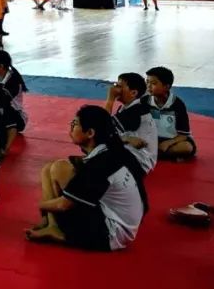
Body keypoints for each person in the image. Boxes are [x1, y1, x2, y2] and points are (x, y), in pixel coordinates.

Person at [25, 105, 148, 250]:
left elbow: (63, 205)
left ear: (90, 133)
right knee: (48, 169)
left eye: (75, 124)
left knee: (59, 169)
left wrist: (39, 204)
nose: (71, 127)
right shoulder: (114, 151)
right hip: (124, 224)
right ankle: (52, 225)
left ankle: (57, 228)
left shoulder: (100, 164)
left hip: (107, 235)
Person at [103, 73, 158, 175]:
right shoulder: (127, 108)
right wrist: (125, 139)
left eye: (119, 86)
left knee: (94, 137)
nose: (115, 89)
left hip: (140, 162)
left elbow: (100, 125)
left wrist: (110, 99)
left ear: (133, 93)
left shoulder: (136, 111)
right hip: (133, 156)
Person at [144, 66, 196, 161]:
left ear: (166, 86)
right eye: (147, 82)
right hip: (150, 140)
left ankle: (151, 155)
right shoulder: (144, 101)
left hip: (172, 140)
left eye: (153, 83)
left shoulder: (177, 104)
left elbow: (183, 135)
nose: (148, 86)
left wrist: (168, 143)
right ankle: (162, 155)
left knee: (187, 147)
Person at [0, 50, 27, 152]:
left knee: (2, 109)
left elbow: (2, 101)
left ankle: (5, 147)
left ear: (0, 66)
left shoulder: (13, 80)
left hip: (16, 116)